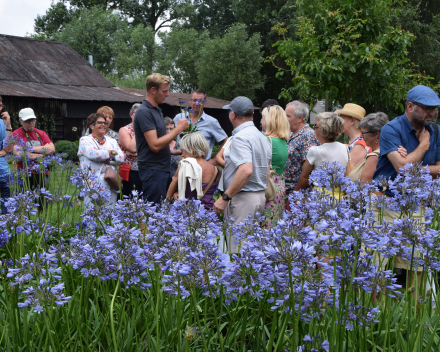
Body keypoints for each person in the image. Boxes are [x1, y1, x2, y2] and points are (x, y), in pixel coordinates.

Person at [372, 85, 440, 277]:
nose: (432, 113)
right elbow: (402, 168)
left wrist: (412, 163)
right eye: (427, 108)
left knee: (416, 270)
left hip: (416, 206)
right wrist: (424, 146)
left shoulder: (436, 130)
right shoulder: (391, 129)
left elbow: (413, 168)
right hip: (385, 204)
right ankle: (374, 308)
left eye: (434, 109)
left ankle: (412, 307)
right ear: (410, 106)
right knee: (377, 269)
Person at [213, 96, 272, 254]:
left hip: (242, 199)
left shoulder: (240, 138)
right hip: (258, 196)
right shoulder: (262, 137)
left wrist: (225, 197)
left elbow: (246, 170)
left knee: (237, 252)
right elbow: (266, 172)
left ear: (232, 115)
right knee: (251, 250)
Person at [134, 73, 189, 205]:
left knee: (161, 212)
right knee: (153, 214)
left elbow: (154, 144)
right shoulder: (144, 112)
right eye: (164, 91)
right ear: (153, 90)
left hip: (160, 169)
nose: (168, 94)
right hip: (152, 170)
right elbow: (154, 145)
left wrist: (174, 152)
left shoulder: (156, 110)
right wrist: (178, 129)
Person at [78, 113, 124, 208]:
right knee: (92, 214)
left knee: (109, 213)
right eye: (99, 122)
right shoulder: (85, 140)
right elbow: (93, 154)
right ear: (91, 126)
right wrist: (111, 152)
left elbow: (121, 157)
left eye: (105, 123)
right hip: (92, 184)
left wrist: (107, 161)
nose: (103, 125)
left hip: (110, 183)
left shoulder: (111, 140)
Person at [166, 132, 222, 212]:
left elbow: (170, 192)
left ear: (191, 150)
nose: (182, 154)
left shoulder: (185, 165)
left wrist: (167, 206)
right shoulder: (217, 170)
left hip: (189, 212)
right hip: (209, 212)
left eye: (183, 151)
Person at [295, 112, 347, 192]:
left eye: (315, 126)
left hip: (321, 195)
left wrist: (296, 195)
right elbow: (348, 174)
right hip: (340, 194)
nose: (313, 128)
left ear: (323, 130)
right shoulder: (344, 147)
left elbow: (304, 177)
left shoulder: (315, 151)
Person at [174, 88, 228, 164]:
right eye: (194, 100)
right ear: (190, 100)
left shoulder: (211, 122)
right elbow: (168, 135)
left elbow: (226, 141)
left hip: (202, 167)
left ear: (205, 103)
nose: (197, 103)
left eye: (200, 101)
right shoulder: (179, 118)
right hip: (181, 164)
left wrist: (215, 160)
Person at [284, 101, 319, 209]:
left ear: (299, 118)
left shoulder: (307, 136)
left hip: (298, 197)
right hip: (289, 194)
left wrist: (295, 196)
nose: (284, 119)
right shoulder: (291, 134)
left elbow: (307, 171)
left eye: (288, 116)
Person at [260, 105, 289, 227]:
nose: (261, 121)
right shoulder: (283, 141)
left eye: (263, 118)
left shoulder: (266, 141)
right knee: (274, 222)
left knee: (264, 224)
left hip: (268, 187)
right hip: (279, 186)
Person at [13, 108, 56, 189]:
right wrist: (41, 153)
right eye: (27, 121)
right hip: (24, 173)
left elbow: (52, 149)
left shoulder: (41, 133)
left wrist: (28, 148)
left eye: (33, 120)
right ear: (20, 121)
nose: (31, 123)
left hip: (42, 172)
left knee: (42, 200)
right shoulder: (16, 134)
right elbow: (19, 153)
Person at [349, 112, 390, 185]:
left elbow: (365, 191)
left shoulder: (374, 157)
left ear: (376, 134)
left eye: (363, 133)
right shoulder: (390, 151)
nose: (361, 136)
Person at [118, 103, 142, 197]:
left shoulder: (148, 129)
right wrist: (138, 128)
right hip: (131, 170)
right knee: (131, 197)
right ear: (131, 114)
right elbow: (131, 148)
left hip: (146, 169)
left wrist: (136, 153)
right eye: (137, 113)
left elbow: (153, 148)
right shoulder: (125, 130)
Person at [0, 97, 12, 213]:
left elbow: (8, 149)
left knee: (6, 211)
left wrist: (8, 124)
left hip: (3, 171)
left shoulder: (2, 124)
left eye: (0, 106)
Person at [164, 117, 181, 183]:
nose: (169, 131)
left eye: (171, 129)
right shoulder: (158, 146)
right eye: (166, 129)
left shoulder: (179, 146)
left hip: (175, 181)